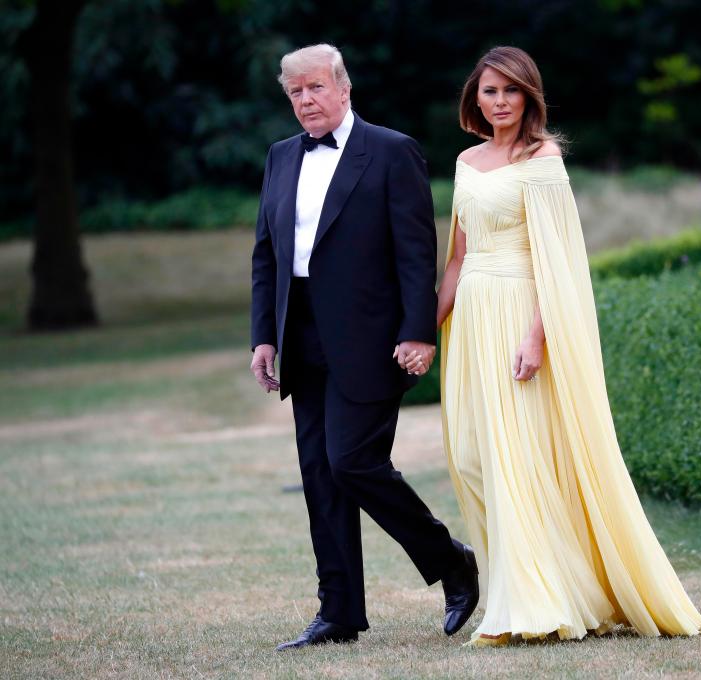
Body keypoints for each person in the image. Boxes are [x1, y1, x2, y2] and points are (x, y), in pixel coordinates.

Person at [421, 46, 701, 645]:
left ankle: (537, 602)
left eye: (510, 91)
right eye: (489, 91)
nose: (499, 102)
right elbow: (456, 256)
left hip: (520, 316)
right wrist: (425, 328)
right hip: (473, 319)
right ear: (473, 98)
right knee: (475, 457)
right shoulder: (465, 160)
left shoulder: (543, 157)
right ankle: (524, 582)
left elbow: (559, 263)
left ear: (529, 96)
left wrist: (538, 336)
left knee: (520, 460)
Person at [249, 43, 479, 651]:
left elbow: (415, 251)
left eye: (316, 88)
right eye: (295, 92)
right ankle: (339, 613)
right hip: (299, 336)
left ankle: (451, 560)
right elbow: (267, 256)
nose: (306, 101)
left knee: (353, 462)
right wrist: (264, 336)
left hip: (372, 340)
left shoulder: (391, 151)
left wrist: (417, 331)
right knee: (320, 477)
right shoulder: (279, 158)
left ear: (344, 88)